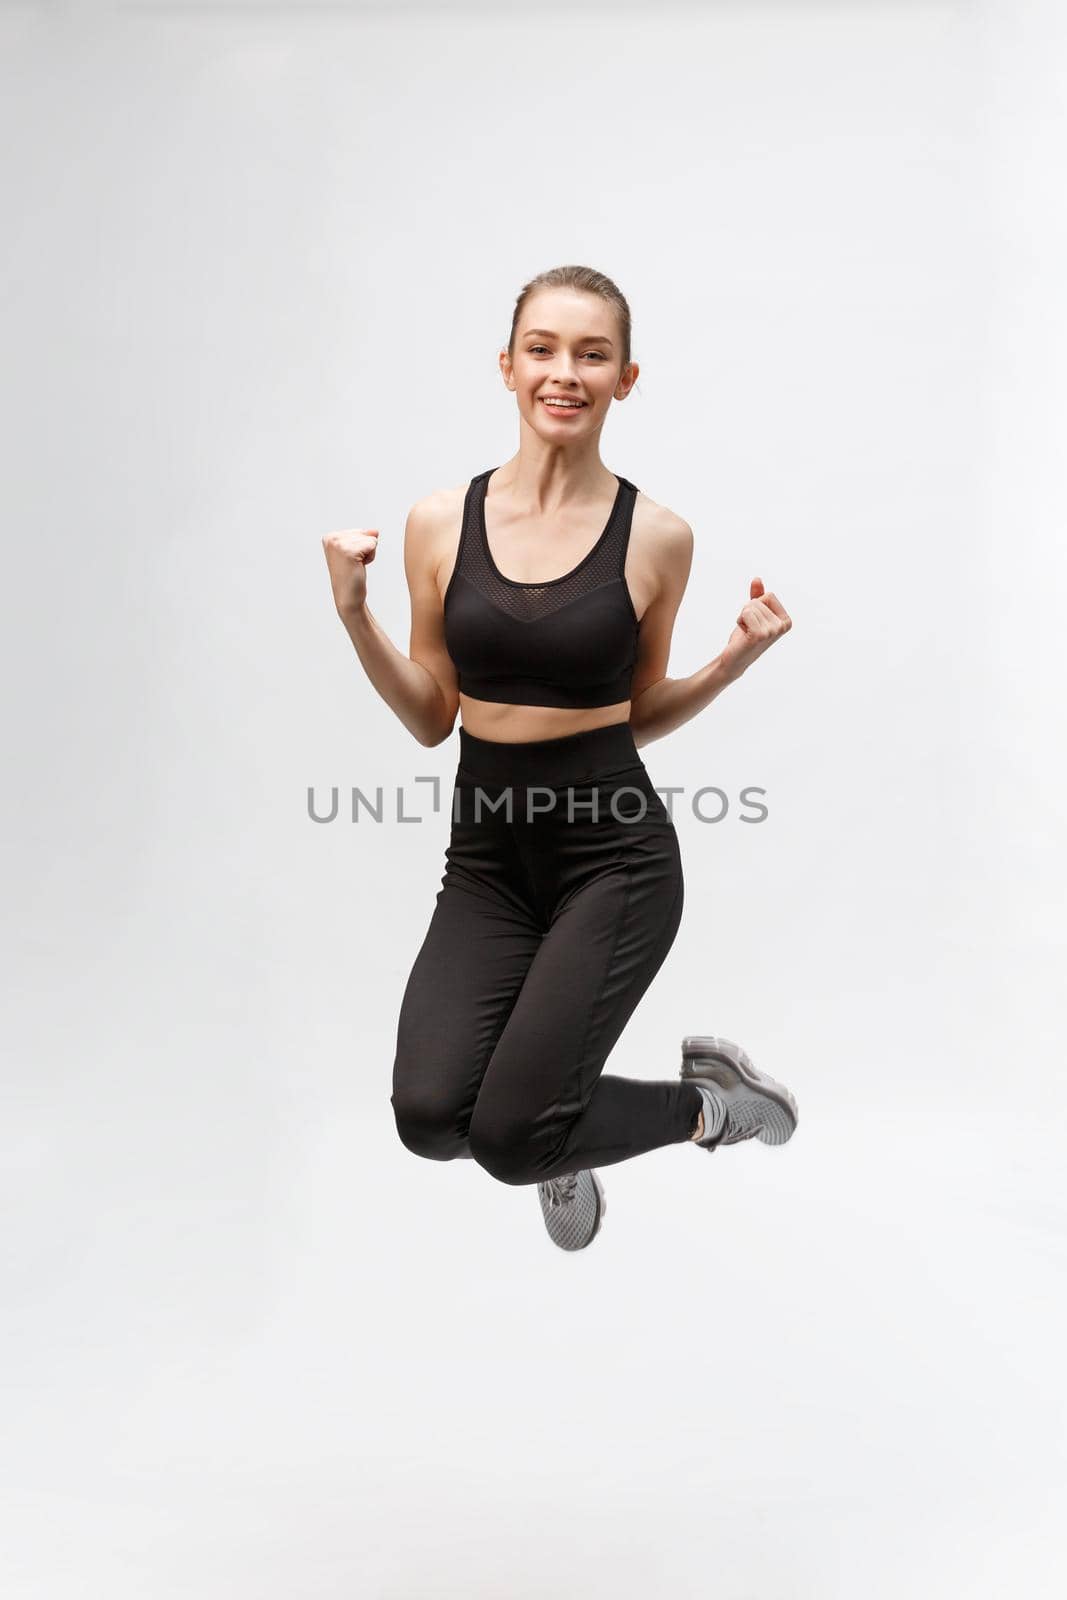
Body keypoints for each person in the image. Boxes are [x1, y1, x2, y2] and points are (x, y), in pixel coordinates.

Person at [322, 264, 798, 1253]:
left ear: (624, 378)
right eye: (542, 349)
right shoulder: (437, 522)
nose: (563, 372)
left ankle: (710, 1106)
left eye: (591, 355)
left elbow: (635, 710)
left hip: (611, 864)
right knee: (427, 1116)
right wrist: (353, 613)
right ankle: (563, 1136)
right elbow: (431, 717)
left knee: (507, 1137)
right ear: (506, 367)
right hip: (488, 865)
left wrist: (730, 660)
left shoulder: (657, 537)